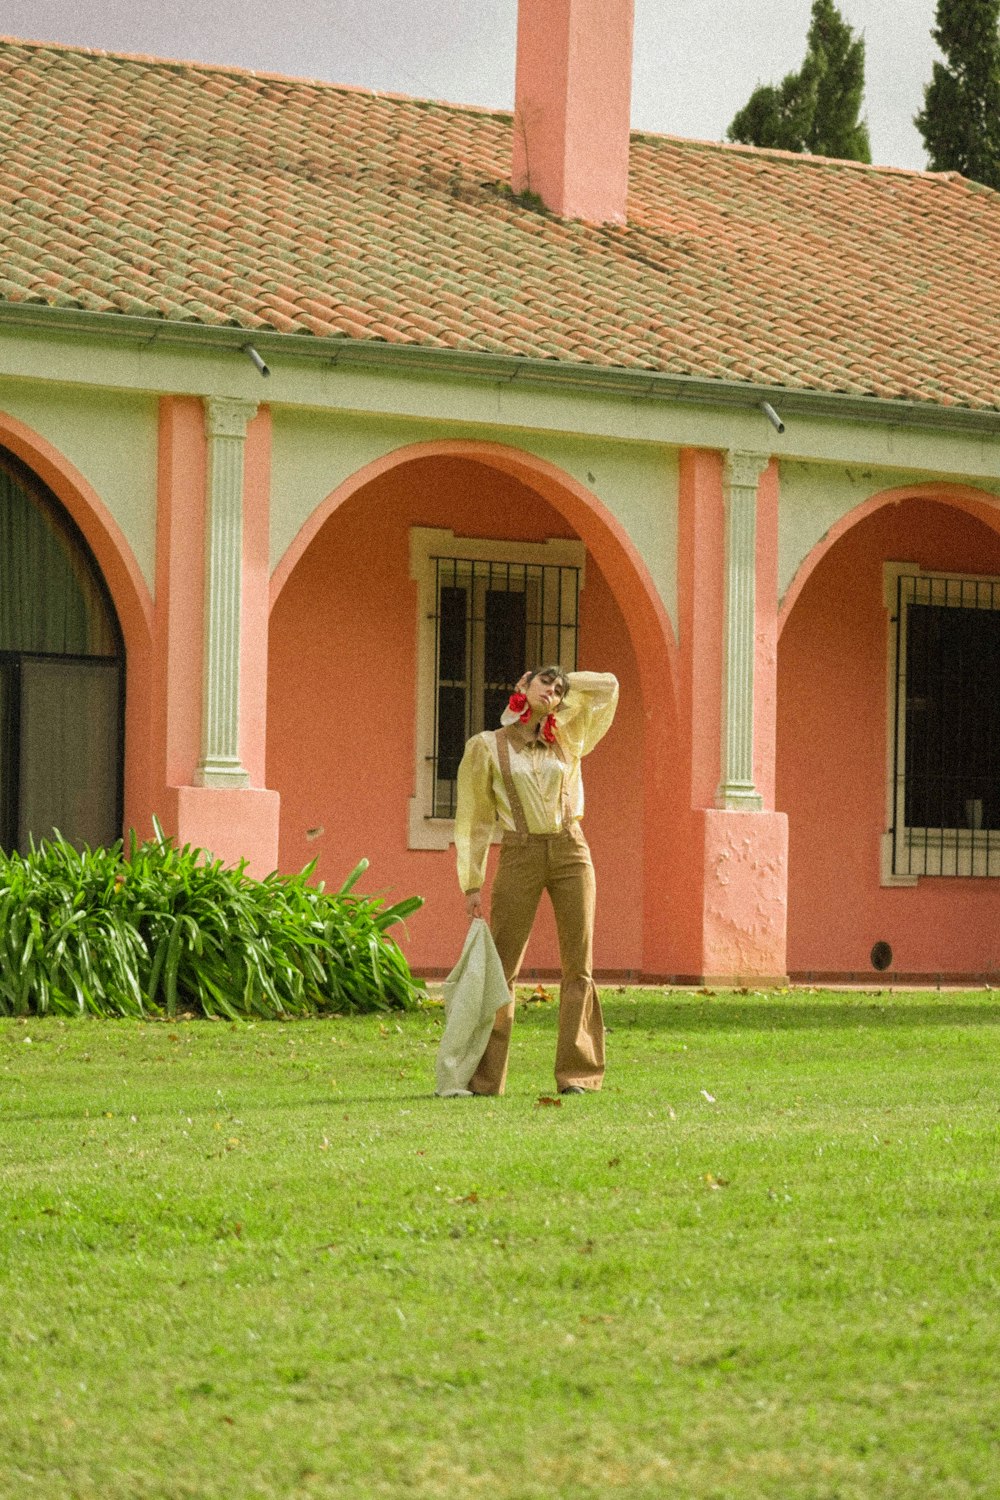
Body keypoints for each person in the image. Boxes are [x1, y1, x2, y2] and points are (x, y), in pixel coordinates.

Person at [453, 665, 619, 1095]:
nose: (555, 690)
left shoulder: (570, 736)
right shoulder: (486, 747)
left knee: (578, 966)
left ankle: (578, 1075)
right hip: (519, 852)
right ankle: (486, 1079)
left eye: (560, 689)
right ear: (520, 684)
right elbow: (474, 819)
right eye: (545, 681)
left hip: (571, 850)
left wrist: (563, 689)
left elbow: (609, 687)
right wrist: (472, 883)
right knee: (502, 968)